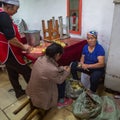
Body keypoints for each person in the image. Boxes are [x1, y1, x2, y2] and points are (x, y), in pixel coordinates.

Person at [26, 43, 73, 112]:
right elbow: (59, 80)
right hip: (41, 93)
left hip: (32, 87)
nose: (60, 57)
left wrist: (62, 68)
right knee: (62, 82)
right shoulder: (52, 69)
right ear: (57, 55)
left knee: (60, 75)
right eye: (60, 55)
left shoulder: (41, 58)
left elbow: (50, 69)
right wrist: (67, 72)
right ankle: (61, 101)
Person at [0, 0, 32, 99]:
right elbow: (11, 38)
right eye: (16, 9)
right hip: (9, 51)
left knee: (12, 71)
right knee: (27, 71)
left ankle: (18, 92)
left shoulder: (2, 14)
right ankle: (34, 92)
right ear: (9, 6)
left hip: (4, 51)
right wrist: (24, 47)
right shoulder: (3, 16)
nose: (16, 12)